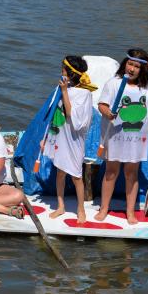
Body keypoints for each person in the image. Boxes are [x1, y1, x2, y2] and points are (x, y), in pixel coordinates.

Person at [94, 48, 148, 224]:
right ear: (125, 64)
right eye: (130, 64)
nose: (132, 69)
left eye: (137, 66)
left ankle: (130, 212)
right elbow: (102, 105)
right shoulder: (114, 83)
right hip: (115, 136)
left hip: (136, 140)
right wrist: (108, 114)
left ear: (142, 69)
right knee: (111, 173)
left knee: (131, 174)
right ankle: (104, 208)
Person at [41, 56, 96, 224]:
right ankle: (61, 205)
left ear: (71, 73)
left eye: (64, 69)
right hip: (60, 135)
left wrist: (64, 92)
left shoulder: (84, 93)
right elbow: (53, 114)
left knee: (76, 175)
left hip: (73, 138)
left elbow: (75, 117)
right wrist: (46, 138)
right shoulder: (63, 88)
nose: (61, 71)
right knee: (60, 172)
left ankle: (80, 209)